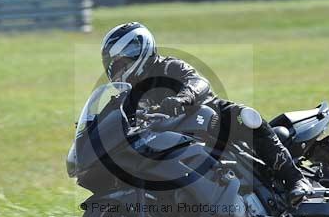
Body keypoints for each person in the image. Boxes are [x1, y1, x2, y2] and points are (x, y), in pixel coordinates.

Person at [100, 21, 313, 206]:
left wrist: (183, 99)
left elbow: (198, 82)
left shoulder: (168, 67)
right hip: (168, 140)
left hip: (207, 117)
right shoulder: (129, 95)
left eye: (120, 64)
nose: (116, 72)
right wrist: (92, 127)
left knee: (247, 117)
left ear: (138, 52)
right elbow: (110, 115)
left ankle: (295, 179)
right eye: (112, 67)